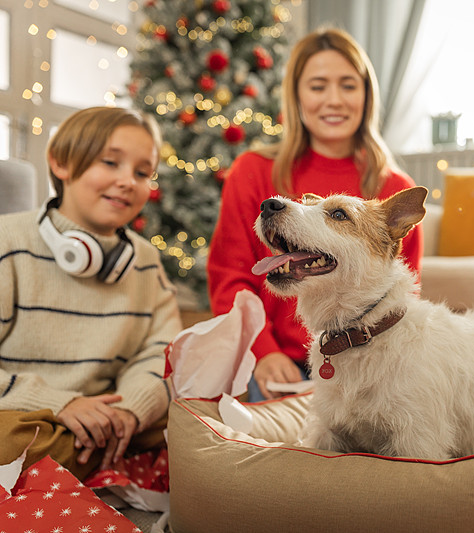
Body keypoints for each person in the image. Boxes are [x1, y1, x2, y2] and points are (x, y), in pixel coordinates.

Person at [208, 27, 423, 401]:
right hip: (282, 363)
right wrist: (265, 352)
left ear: (367, 96)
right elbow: (230, 279)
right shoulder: (253, 171)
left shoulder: (395, 190)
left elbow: (399, 292)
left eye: (348, 86)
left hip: (368, 363)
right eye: (318, 86)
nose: (334, 100)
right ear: (296, 97)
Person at [0, 106, 181, 479]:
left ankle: (92, 448)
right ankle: (100, 456)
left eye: (142, 172)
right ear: (62, 163)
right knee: (11, 438)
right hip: (25, 412)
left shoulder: (144, 260)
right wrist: (60, 403)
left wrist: (131, 409)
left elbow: (163, 351)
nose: (128, 181)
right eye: (110, 163)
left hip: (108, 412)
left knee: (188, 411)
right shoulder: (8, 241)